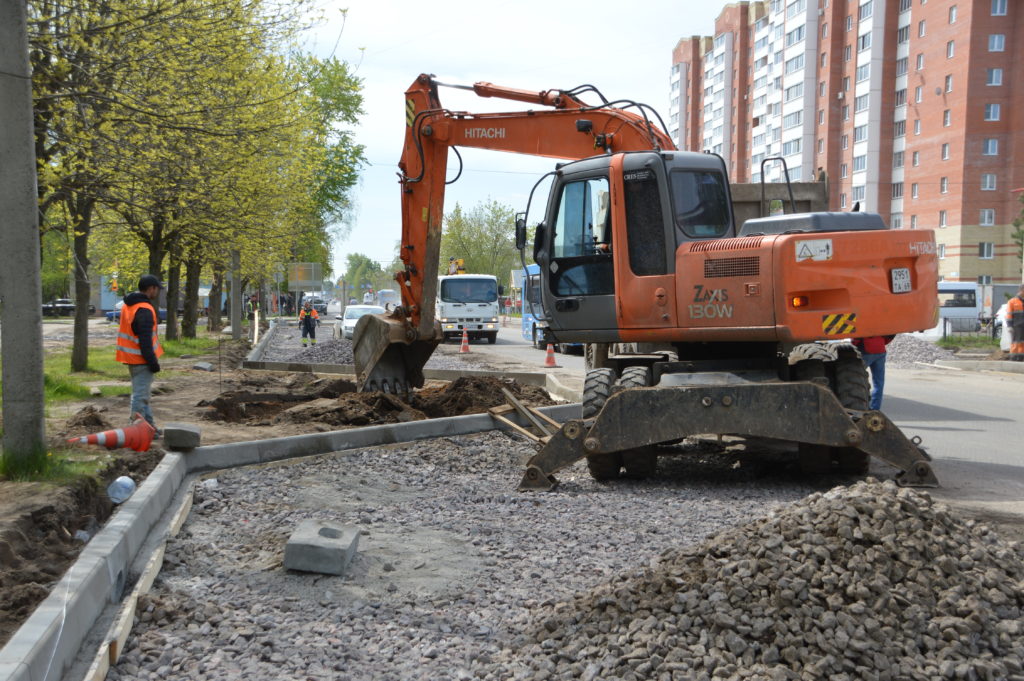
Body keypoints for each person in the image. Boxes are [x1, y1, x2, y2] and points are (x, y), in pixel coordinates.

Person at [116, 274, 163, 431]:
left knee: (143, 395)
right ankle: (134, 430)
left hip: (132, 358)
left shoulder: (129, 306)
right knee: (140, 396)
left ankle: (150, 428)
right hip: (142, 359)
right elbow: (145, 340)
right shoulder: (144, 309)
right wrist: (153, 362)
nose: (157, 292)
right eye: (157, 289)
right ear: (151, 289)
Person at [852, 335, 895, 410]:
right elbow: (889, 336)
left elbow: (855, 339)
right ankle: (875, 408)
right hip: (880, 350)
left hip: (866, 351)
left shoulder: (863, 324)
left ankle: (859, 406)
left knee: (856, 380)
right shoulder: (880, 324)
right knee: (879, 383)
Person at [1007, 285, 1024, 361]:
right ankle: (1013, 357)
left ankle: (1021, 357)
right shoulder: (1012, 301)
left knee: (1022, 343)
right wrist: (1009, 326)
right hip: (1016, 326)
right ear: (1021, 290)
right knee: (1015, 342)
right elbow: (1009, 314)